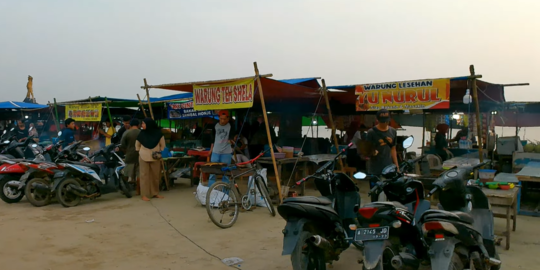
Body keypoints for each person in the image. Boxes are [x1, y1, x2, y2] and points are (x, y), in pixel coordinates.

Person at [366, 109, 398, 202]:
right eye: (382, 121)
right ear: (377, 120)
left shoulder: (393, 131)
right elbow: (367, 149)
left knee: (389, 193)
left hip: (389, 168)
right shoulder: (371, 132)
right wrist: (372, 152)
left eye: (386, 121)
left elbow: (393, 149)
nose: (384, 123)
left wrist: (397, 166)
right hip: (375, 168)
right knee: (375, 194)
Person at [135, 118, 166, 201]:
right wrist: (142, 152)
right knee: (144, 176)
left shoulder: (159, 134)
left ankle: (155, 193)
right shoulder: (141, 133)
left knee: (156, 176)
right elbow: (137, 146)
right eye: (142, 124)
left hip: (155, 157)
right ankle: (144, 194)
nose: (142, 125)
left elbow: (163, 146)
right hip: (143, 156)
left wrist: (159, 153)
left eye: (143, 124)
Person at [208, 110, 236, 186]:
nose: (223, 121)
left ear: (228, 118)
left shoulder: (231, 126)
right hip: (215, 152)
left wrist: (232, 141)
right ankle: (210, 190)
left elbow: (232, 137)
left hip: (226, 153)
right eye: (221, 119)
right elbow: (212, 139)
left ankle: (225, 192)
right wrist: (211, 149)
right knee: (213, 172)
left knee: (226, 173)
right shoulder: (215, 125)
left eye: (224, 119)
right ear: (219, 118)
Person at [121, 119, 141, 195]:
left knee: (126, 174)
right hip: (140, 155)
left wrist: (127, 151)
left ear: (130, 125)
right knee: (139, 175)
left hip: (130, 155)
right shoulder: (141, 133)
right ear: (138, 125)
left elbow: (122, 145)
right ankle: (138, 191)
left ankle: (125, 189)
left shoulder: (126, 133)